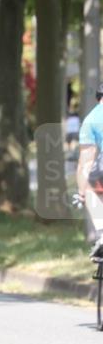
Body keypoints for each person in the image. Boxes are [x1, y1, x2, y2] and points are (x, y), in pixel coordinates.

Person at [76, 84, 103, 243]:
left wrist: (81, 191)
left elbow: (86, 161)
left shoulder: (90, 119)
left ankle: (102, 233)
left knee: (90, 190)